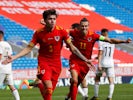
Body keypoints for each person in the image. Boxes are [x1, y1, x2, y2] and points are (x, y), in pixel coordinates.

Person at [2, 9, 93, 100]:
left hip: (57, 64)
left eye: (54, 18)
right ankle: (41, 84)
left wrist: (85, 59)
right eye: (50, 19)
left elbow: (73, 48)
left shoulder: (61, 31)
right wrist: (14, 57)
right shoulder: (38, 33)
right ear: (45, 20)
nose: (52, 21)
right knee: (49, 87)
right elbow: (28, 48)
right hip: (44, 62)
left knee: (48, 93)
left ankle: (39, 84)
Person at [65, 18, 132, 100]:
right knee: (75, 80)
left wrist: (124, 41)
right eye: (82, 26)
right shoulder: (74, 32)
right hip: (75, 60)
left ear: (88, 26)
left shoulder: (94, 35)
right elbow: (63, 31)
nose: (84, 28)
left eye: (86, 26)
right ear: (79, 26)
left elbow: (110, 40)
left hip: (86, 63)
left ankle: (68, 96)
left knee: (76, 83)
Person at [90, 28, 131, 100]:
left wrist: (99, 64)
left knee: (97, 79)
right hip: (110, 63)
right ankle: (110, 97)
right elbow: (117, 42)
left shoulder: (101, 42)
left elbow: (100, 54)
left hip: (102, 64)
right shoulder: (112, 41)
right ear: (107, 33)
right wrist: (125, 41)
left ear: (102, 33)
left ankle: (96, 96)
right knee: (111, 80)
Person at [0, 30, 20, 100]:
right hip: (8, 68)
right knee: (11, 86)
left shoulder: (0, 44)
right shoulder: (8, 45)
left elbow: (0, 56)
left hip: (1, 68)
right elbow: (10, 56)